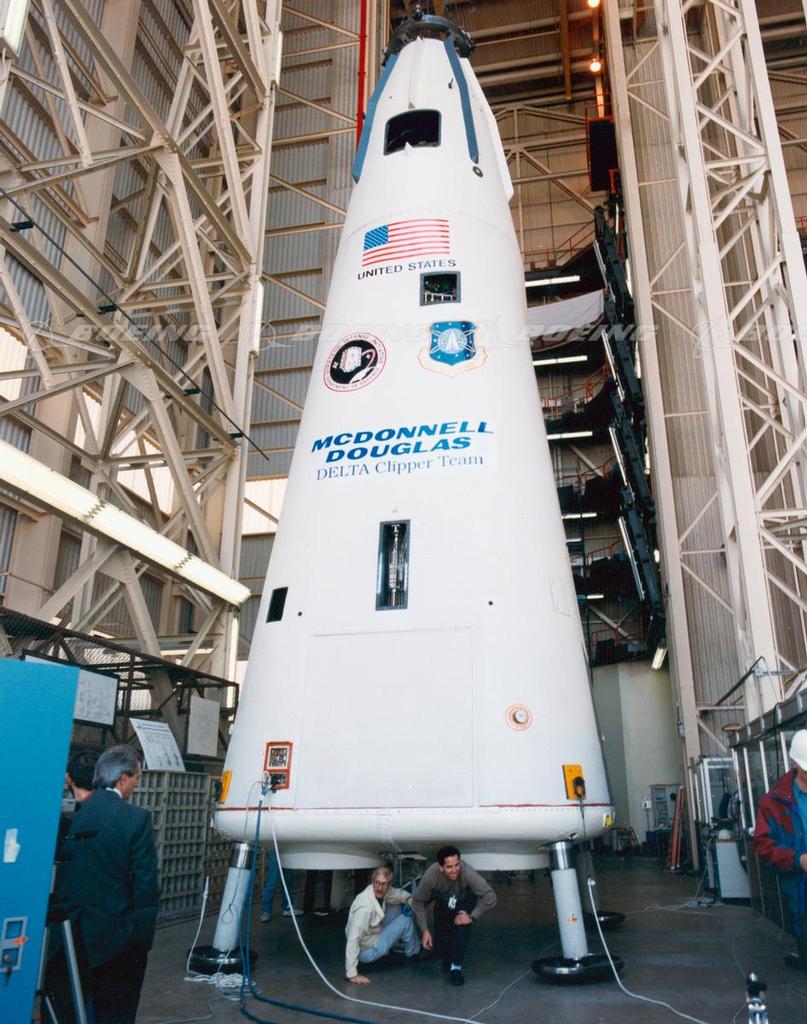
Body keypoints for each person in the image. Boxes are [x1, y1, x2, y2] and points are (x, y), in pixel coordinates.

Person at [58, 745, 159, 1023]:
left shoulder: (72, 816)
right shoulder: (136, 819)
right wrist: (142, 940)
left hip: (75, 935)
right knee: (116, 1012)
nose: (135, 785)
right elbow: (145, 884)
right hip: (120, 940)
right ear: (123, 778)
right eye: (136, 778)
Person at [754, 729, 807, 972]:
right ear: (795, 763)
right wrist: (797, 860)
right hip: (799, 888)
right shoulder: (773, 802)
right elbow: (763, 844)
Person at [412, 845, 496, 987]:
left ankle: (456, 968)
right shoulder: (431, 875)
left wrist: (472, 916)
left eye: (457, 865)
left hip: (464, 900)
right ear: (441, 867)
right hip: (443, 902)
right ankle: (446, 954)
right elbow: (418, 902)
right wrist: (425, 930)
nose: (455, 870)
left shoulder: (466, 871)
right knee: (441, 948)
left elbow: (490, 896)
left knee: (462, 926)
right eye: (449, 867)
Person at [345, 866, 420, 984]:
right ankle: (414, 953)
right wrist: (352, 974)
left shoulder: (379, 891)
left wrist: (409, 899)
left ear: (389, 885)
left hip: (371, 935)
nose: (379, 888)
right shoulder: (364, 908)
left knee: (396, 905)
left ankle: (396, 945)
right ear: (372, 881)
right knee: (405, 921)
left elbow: (395, 894)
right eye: (377, 883)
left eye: (384, 884)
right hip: (365, 951)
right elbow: (353, 938)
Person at [261, 849, 301, 920]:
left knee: (287, 876)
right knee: (273, 877)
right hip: (274, 846)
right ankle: (266, 911)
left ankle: (287, 907)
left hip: (284, 845)